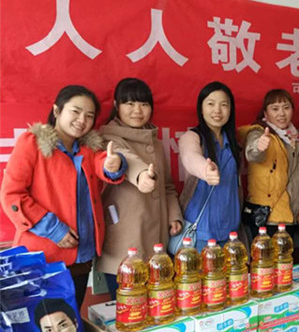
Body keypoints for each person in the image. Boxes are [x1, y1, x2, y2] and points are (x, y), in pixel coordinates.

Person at [1, 85, 126, 307]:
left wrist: (113, 165)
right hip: (42, 257)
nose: (82, 120)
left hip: (81, 257)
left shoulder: (89, 148)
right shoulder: (32, 143)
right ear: (57, 110)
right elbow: (12, 195)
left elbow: (103, 163)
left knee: (72, 319)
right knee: (43, 321)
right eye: (75, 111)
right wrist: (54, 229)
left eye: (89, 116)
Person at [97, 78, 183, 298]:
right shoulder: (108, 138)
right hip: (123, 244)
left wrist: (174, 216)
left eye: (144, 104)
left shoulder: (155, 142)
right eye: (130, 104)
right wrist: (142, 175)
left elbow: (167, 186)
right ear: (116, 105)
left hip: (156, 241)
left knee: (158, 305)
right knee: (127, 308)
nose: (137, 111)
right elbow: (125, 159)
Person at [178, 82, 241, 249]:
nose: (217, 110)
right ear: (201, 108)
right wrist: (205, 170)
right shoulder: (192, 137)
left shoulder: (233, 142)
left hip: (231, 232)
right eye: (211, 104)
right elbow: (190, 156)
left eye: (224, 105)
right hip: (200, 232)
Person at [239, 89, 299, 239]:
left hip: (292, 216)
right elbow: (252, 154)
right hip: (268, 217)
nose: (281, 113)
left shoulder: (295, 138)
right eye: (275, 109)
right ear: (266, 113)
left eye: (286, 108)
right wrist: (259, 146)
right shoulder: (259, 132)